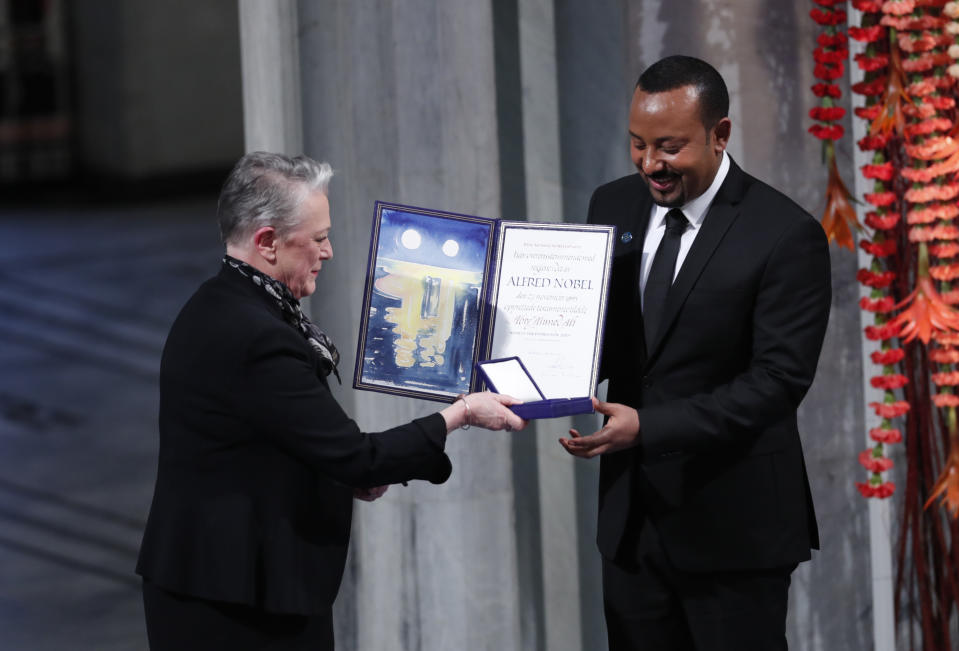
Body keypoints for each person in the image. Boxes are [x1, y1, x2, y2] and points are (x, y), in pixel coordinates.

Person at [135, 151, 526, 650]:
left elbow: (274, 438)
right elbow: (358, 456)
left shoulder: (222, 304)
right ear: (267, 242)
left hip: (227, 582)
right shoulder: (255, 337)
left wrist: (336, 472)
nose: (330, 251)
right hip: (233, 602)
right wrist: (464, 412)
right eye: (318, 238)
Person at [559, 56, 831, 650]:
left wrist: (648, 427)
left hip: (734, 532)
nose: (650, 164)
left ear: (721, 134)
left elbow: (777, 383)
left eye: (669, 147)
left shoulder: (786, 234)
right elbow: (597, 334)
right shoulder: (611, 206)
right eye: (637, 144)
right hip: (631, 528)